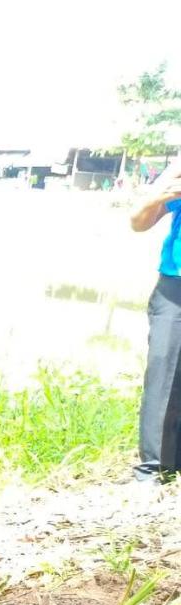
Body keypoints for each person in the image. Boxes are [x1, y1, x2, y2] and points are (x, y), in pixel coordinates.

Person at [129, 160, 181, 484]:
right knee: (164, 375)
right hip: (175, 286)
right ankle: (152, 472)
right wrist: (158, 194)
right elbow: (138, 221)